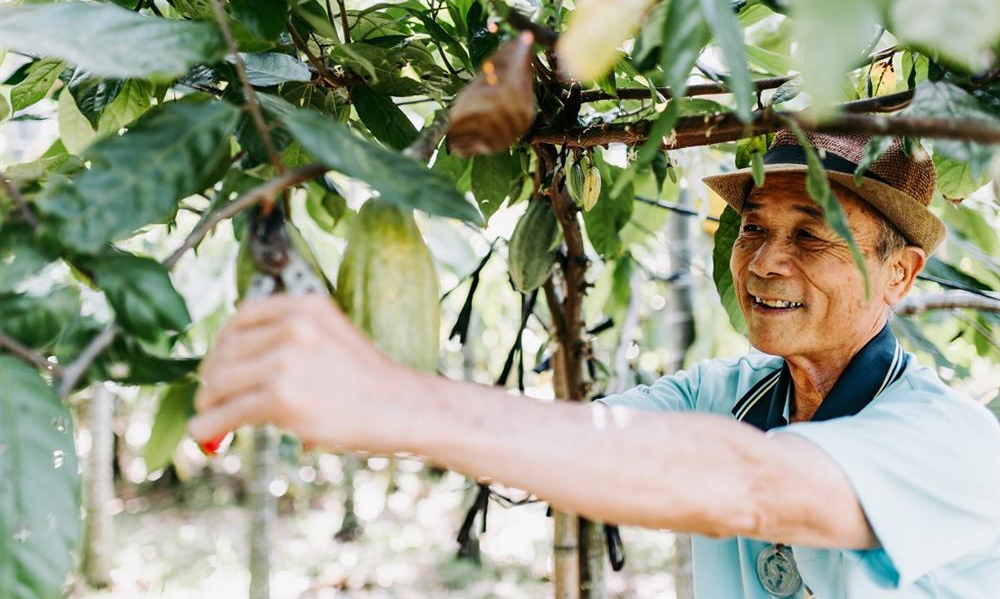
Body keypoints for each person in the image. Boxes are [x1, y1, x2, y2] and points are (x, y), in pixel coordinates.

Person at [190, 130, 1000, 598]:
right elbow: (580, 441)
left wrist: (391, 397)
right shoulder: (726, 395)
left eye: (812, 236)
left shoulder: (953, 441)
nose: (764, 263)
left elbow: (753, 486)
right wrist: (339, 383)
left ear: (899, 274)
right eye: (754, 228)